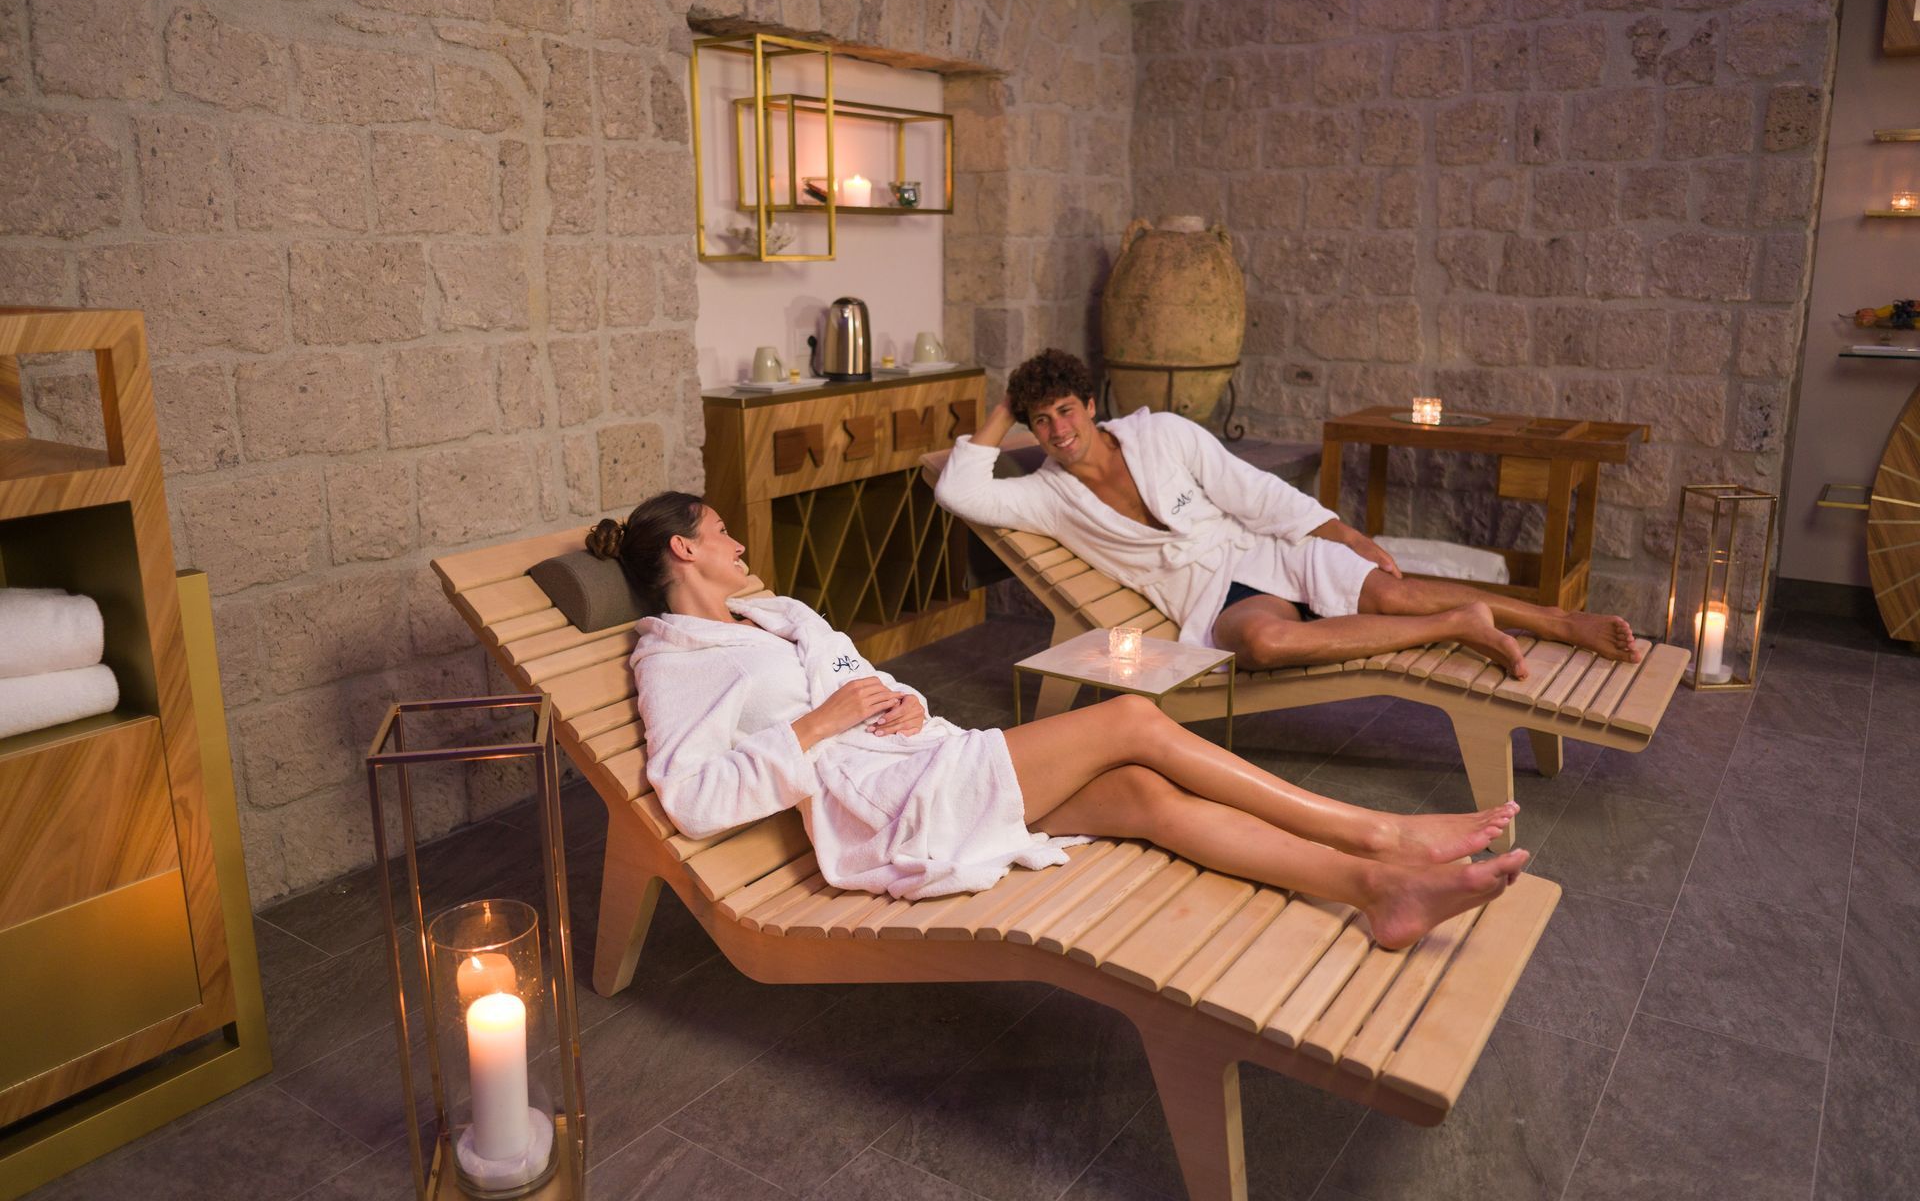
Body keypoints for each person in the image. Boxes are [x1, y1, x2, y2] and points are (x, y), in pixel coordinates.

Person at [588, 491, 1530, 951]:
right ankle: (1385, 832)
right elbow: (693, 797)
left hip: (921, 758)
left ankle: (1374, 888)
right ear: (684, 548)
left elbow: (854, 672)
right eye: (720, 531)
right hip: (885, 810)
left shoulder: (776, 613)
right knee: (1131, 719)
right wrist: (821, 726)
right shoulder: (673, 659)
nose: (740, 541)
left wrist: (890, 695)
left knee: (1145, 796)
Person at [933, 349, 1642, 678]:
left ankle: (1559, 621)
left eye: (1065, 410)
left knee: (1392, 589)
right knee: (1264, 646)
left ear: (1089, 406)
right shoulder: (1047, 496)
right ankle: (1452, 627)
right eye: (1040, 420)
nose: (1057, 431)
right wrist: (1004, 403)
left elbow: (1252, 491)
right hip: (1210, 596)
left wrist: (1343, 531)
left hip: (1263, 552)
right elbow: (959, 491)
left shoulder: (1162, 436)